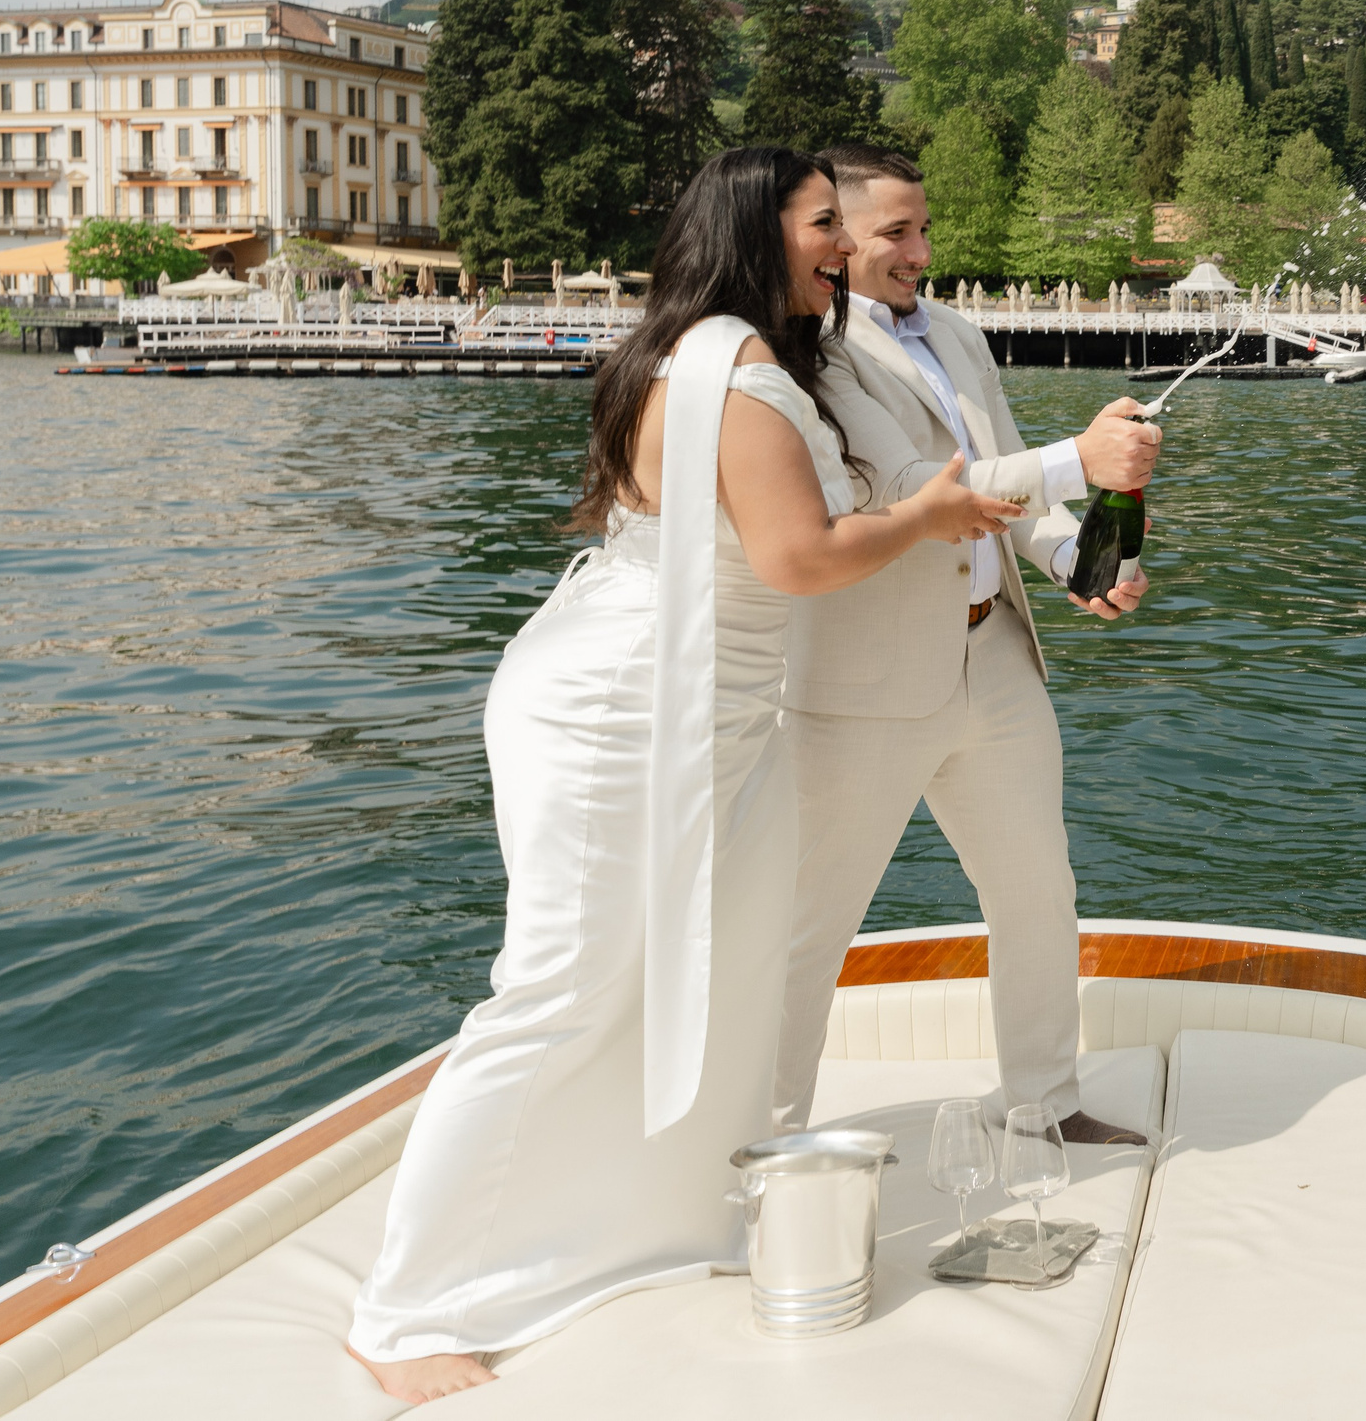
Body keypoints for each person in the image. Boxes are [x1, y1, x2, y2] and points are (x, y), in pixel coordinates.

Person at [345, 149, 1022, 1404]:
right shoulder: (738, 378)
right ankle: (405, 1309)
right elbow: (798, 559)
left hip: (713, 704)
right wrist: (930, 520)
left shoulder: (732, 357)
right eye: (824, 225)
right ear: (757, 234)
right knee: (559, 990)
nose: (846, 246)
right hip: (624, 711)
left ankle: (646, 1226)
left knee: (725, 960)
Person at [769, 145, 1159, 1149]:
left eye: (923, 227)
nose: (920, 251)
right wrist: (1080, 458)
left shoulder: (956, 332)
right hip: (864, 682)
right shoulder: (813, 349)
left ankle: (1042, 1104)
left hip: (993, 659)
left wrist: (1075, 553)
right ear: (834, 236)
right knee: (814, 926)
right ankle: (762, 1147)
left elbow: (997, 487)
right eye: (896, 232)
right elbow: (911, 489)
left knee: (1037, 885)